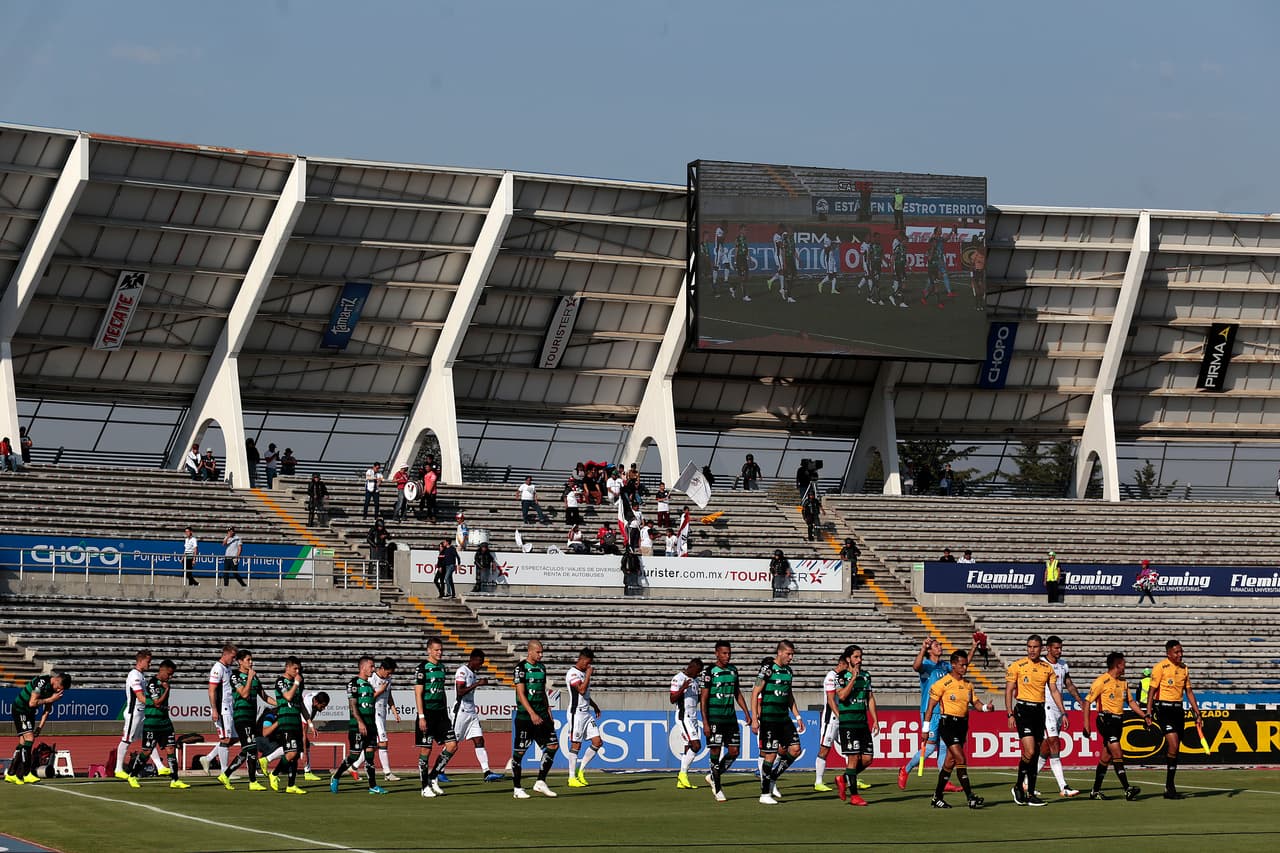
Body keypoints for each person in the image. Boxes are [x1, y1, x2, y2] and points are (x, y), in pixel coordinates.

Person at [924, 650, 991, 809]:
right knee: (961, 759)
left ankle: (937, 797)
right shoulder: (942, 683)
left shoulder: (968, 685)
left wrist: (987, 708)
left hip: (962, 725)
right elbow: (930, 707)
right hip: (948, 724)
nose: (965, 667)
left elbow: (976, 704)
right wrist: (925, 729)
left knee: (950, 762)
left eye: (966, 664)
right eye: (961, 665)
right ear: (953, 665)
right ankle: (970, 796)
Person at [1005, 634, 1066, 806]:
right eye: (1029, 647)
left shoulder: (1047, 668)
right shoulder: (1017, 666)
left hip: (1040, 711)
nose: (1032, 650)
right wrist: (1010, 713)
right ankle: (1019, 786)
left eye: (1035, 647)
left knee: (1035, 754)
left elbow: (1054, 691)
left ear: (1041, 649)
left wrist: (1063, 712)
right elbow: (1009, 690)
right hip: (1023, 710)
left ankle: (1029, 793)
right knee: (1030, 751)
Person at [899, 638, 967, 791]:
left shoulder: (945, 665)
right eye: (936, 645)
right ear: (930, 650)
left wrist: (974, 647)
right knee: (929, 748)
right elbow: (915, 666)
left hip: (944, 710)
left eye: (940, 645)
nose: (940, 647)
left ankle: (945, 781)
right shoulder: (927, 665)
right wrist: (923, 648)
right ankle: (906, 769)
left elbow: (962, 664)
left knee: (943, 747)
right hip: (929, 710)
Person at [1082, 652, 1144, 801]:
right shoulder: (1101, 681)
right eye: (1124, 663)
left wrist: (1144, 715)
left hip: (1118, 721)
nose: (1126, 666)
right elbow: (1087, 702)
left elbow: (1131, 702)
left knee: (1106, 757)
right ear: (1118, 665)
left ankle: (1095, 791)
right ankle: (1127, 789)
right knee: (1117, 751)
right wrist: (1086, 725)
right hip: (1105, 719)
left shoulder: (1123, 682)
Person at [1146, 639, 1202, 799]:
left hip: (1178, 710)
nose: (1180, 654)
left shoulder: (1184, 669)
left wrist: (1197, 712)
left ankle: (1169, 787)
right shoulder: (1160, 667)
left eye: (1181, 651)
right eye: (1177, 652)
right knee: (1173, 744)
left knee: (1175, 749)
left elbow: (1189, 692)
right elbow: (1151, 691)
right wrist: (1148, 712)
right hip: (1164, 709)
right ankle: (1170, 787)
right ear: (1168, 653)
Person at [752, 640, 805, 805]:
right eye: (789, 654)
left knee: (795, 749)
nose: (791, 657)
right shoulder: (767, 669)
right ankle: (764, 794)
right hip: (769, 719)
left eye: (792, 654)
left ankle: (773, 777)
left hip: (784, 719)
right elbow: (755, 693)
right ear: (780, 652)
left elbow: (789, 695)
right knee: (771, 754)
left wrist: (797, 716)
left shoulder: (789, 671)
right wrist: (755, 718)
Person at [700, 640, 753, 803]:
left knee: (734, 752)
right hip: (715, 718)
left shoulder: (733, 670)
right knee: (715, 752)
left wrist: (746, 712)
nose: (727, 656)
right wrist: (706, 723)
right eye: (724, 653)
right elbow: (703, 700)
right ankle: (718, 788)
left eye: (729, 653)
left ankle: (712, 776)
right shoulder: (709, 672)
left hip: (730, 719)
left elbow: (737, 692)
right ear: (716, 653)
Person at [813, 650, 868, 793]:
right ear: (842, 663)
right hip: (831, 719)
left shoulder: (847, 677)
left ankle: (851, 777)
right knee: (825, 748)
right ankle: (818, 781)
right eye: (846, 666)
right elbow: (831, 700)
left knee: (850, 752)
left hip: (844, 719)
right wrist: (840, 716)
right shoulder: (832, 676)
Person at [1039, 635, 1086, 798]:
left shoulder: (1063, 665)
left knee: (1045, 748)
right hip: (1046, 708)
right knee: (1054, 743)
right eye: (1056, 648)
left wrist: (1079, 700)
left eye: (1060, 648)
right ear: (1048, 648)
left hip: (1059, 709)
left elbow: (1069, 684)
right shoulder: (1041, 664)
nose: (1059, 651)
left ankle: (1025, 782)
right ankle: (1063, 786)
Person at [512, 639, 559, 799]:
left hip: (542, 715)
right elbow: (521, 694)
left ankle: (540, 781)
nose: (541, 655)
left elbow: (542, 691)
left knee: (553, 746)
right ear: (530, 651)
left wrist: (548, 709)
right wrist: (532, 713)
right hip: (526, 717)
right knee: (519, 753)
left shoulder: (542, 667)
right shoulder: (521, 668)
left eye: (542, 652)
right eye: (538, 652)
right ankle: (517, 788)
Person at [411, 638, 458, 798]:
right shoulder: (422, 668)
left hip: (441, 714)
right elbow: (418, 693)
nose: (440, 652)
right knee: (426, 750)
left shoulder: (442, 668)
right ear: (429, 650)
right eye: (436, 650)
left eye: (441, 650)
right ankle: (424, 786)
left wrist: (446, 712)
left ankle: (433, 776)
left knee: (452, 745)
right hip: (427, 714)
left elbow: (442, 691)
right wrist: (421, 716)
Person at [218, 649, 271, 790]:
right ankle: (253, 782)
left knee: (247, 749)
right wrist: (249, 678)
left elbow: (264, 696)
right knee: (252, 749)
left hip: (252, 717)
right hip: (242, 717)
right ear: (240, 661)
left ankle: (225, 775)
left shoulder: (254, 677)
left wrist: (281, 704)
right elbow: (244, 694)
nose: (251, 662)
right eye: (248, 659)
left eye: (251, 659)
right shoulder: (235, 676)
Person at [5, 671, 71, 784]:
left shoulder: (53, 690)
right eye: (60, 687)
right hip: (20, 709)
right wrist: (50, 699)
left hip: (29, 713)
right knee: (29, 738)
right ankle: (26, 774)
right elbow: (32, 702)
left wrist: (40, 727)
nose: (60, 691)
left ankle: (11, 774)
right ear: (56, 680)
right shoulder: (41, 682)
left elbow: (47, 710)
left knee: (23, 742)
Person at [331, 655, 384, 794]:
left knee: (370, 756)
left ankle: (373, 786)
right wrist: (360, 722)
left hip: (371, 726)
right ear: (362, 667)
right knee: (354, 755)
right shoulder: (353, 683)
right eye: (371, 666)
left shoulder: (369, 685)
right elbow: (352, 705)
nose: (373, 669)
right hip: (357, 727)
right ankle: (336, 777)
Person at [833, 645, 878, 806]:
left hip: (862, 723)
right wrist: (853, 678)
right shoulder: (840, 677)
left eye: (860, 657)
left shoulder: (866, 676)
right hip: (848, 723)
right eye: (856, 657)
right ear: (848, 659)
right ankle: (854, 796)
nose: (859, 660)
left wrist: (875, 720)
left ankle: (843, 778)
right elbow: (842, 696)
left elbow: (870, 698)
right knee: (853, 758)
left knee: (867, 759)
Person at [114, 650, 166, 784]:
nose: (150, 664)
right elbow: (139, 696)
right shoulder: (134, 675)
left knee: (149, 738)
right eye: (148, 661)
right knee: (127, 739)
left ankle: (160, 766)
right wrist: (153, 704)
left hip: (141, 712)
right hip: (134, 713)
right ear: (141, 661)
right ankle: (118, 768)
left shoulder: (141, 675)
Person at [134, 660, 187, 789]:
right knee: (146, 752)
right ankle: (133, 775)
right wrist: (167, 690)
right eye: (169, 674)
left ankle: (175, 780)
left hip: (165, 722)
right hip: (152, 723)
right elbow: (157, 702)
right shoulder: (153, 683)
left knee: (171, 749)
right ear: (162, 670)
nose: (170, 677)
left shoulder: (165, 683)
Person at [454, 649, 504, 782]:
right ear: (473, 659)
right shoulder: (462, 671)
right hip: (461, 712)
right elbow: (459, 692)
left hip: (471, 712)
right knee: (452, 744)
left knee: (479, 740)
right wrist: (477, 684)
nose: (480, 665)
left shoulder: (473, 674)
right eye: (480, 662)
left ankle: (487, 772)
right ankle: (439, 771)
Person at [564, 649, 603, 788]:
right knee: (576, 745)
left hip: (586, 713)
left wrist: (594, 706)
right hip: (577, 714)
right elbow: (580, 689)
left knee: (597, 742)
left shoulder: (582, 673)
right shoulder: (572, 673)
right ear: (582, 659)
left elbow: (584, 695)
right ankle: (571, 778)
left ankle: (581, 771)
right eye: (588, 662)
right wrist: (588, 675)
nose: (589, 665)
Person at [271, 656, 309, 794]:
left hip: (296, 722)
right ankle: (274, 774)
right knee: (291, 753)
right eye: (295, 668)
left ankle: (291, 785)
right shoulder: (281, 681)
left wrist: (309, 722)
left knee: (295, 755)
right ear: (287, 667)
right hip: (286, 721)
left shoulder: (296, 682)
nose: (297, 671)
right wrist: (297, 684)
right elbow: (288, 696)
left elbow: (300, 704)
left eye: (299, 669)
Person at [199, 643, 237, 777]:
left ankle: (208, 758)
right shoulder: (217, 668)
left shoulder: (228, 668)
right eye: (232, 657)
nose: (234, 659)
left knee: (234, 738)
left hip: (229, 707)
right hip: (222, 709)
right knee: (226, 739)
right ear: (225, 654)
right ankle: (225, 772)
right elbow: (211, 690)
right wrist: (214, 709)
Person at [670, 657, 703, 790]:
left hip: (693, 717)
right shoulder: (678, 678)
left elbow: (695, 699)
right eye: (697, 671)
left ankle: (682, 780)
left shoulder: (695, 680)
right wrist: (682, 688)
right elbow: (672, 699)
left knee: (688, 746)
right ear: (691, 667)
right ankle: (682, 774)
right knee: (696, 745)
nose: (698, 674)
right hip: (684, 717)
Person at [368, 659, 401, 782]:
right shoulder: (372, 679)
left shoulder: (388, 679)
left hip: (383, 714)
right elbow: (368, 698)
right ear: (381, 668)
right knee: (383, 741)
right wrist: (379, 691)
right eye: (388, 672)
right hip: (374, 713)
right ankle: (387, 773)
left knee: (373, 745)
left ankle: (353, 766)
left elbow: (389, 696)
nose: (389, 675)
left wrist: (395, 711)